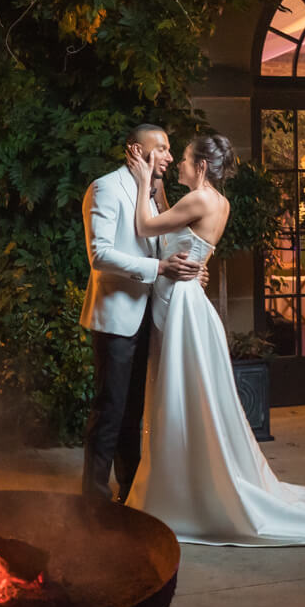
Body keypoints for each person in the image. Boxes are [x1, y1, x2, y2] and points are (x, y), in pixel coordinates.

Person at [122, 131, 305, 545]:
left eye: (185, 161)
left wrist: (140, 184)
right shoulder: (216, 202)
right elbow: (175, 234)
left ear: (201, 167)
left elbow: (144, 225)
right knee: (190, 394)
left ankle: (183, 492)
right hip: (188, 299)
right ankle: (188, 483)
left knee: (183, 394)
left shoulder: (200, 199)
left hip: (183, 306)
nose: (181, 167)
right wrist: (153, 186)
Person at [79, 124, 206, 502]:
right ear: (137, 149)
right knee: (111, 408)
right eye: (162, 148)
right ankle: (94, 498)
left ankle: (130, 493)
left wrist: (189, 268)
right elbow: (99, 254)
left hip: (148, 314)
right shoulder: (105, 187)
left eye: (170, 150)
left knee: (134, 411)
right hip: (116, 316)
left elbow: (161, 246)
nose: (169, 156)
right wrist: (160, 269)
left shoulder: (151, 194)